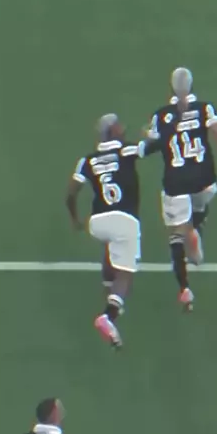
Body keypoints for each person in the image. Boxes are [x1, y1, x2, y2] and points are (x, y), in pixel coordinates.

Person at [144, 67, 217, 310]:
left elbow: (151, 144)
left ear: (171, 88)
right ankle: (195, 228)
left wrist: (146, 135)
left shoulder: (161, 115)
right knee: (199, 204)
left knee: (176, 234)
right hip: (204, 179)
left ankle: (184, 288)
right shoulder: (205, 109)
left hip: (176, 182)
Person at [66, 113, 148, 348]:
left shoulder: (87, 161)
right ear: (112, 132)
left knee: (111, 241)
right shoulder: (127, 151)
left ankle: (106, 286)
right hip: (125, 220)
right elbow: (153, 146)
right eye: (119, 127)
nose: (123, 130)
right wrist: (150, 134)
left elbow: (70, 194)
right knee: (126, 274)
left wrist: (75, 220)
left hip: (97, 222)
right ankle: (109, 315)